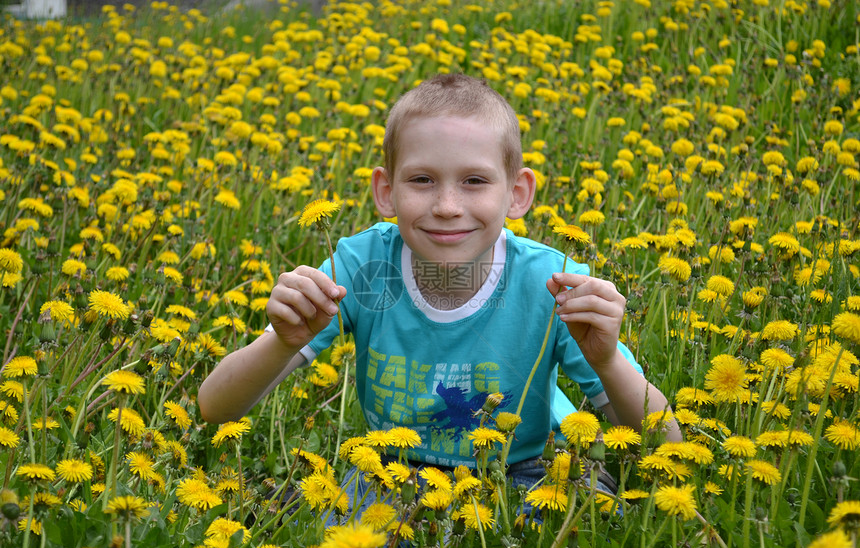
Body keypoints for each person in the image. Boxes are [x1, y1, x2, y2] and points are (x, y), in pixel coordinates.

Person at [198, 74, 681, 492]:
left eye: (474, 181)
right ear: (385, 192)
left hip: (523, 466)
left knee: (584, 520)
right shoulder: (364, 269)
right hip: (392, 469)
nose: (447, 205)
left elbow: (666, 445)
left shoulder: (550, 284)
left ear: (517, 193)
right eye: (422, 180)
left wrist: (607, 360)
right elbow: (214, 406)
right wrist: (282, 344)